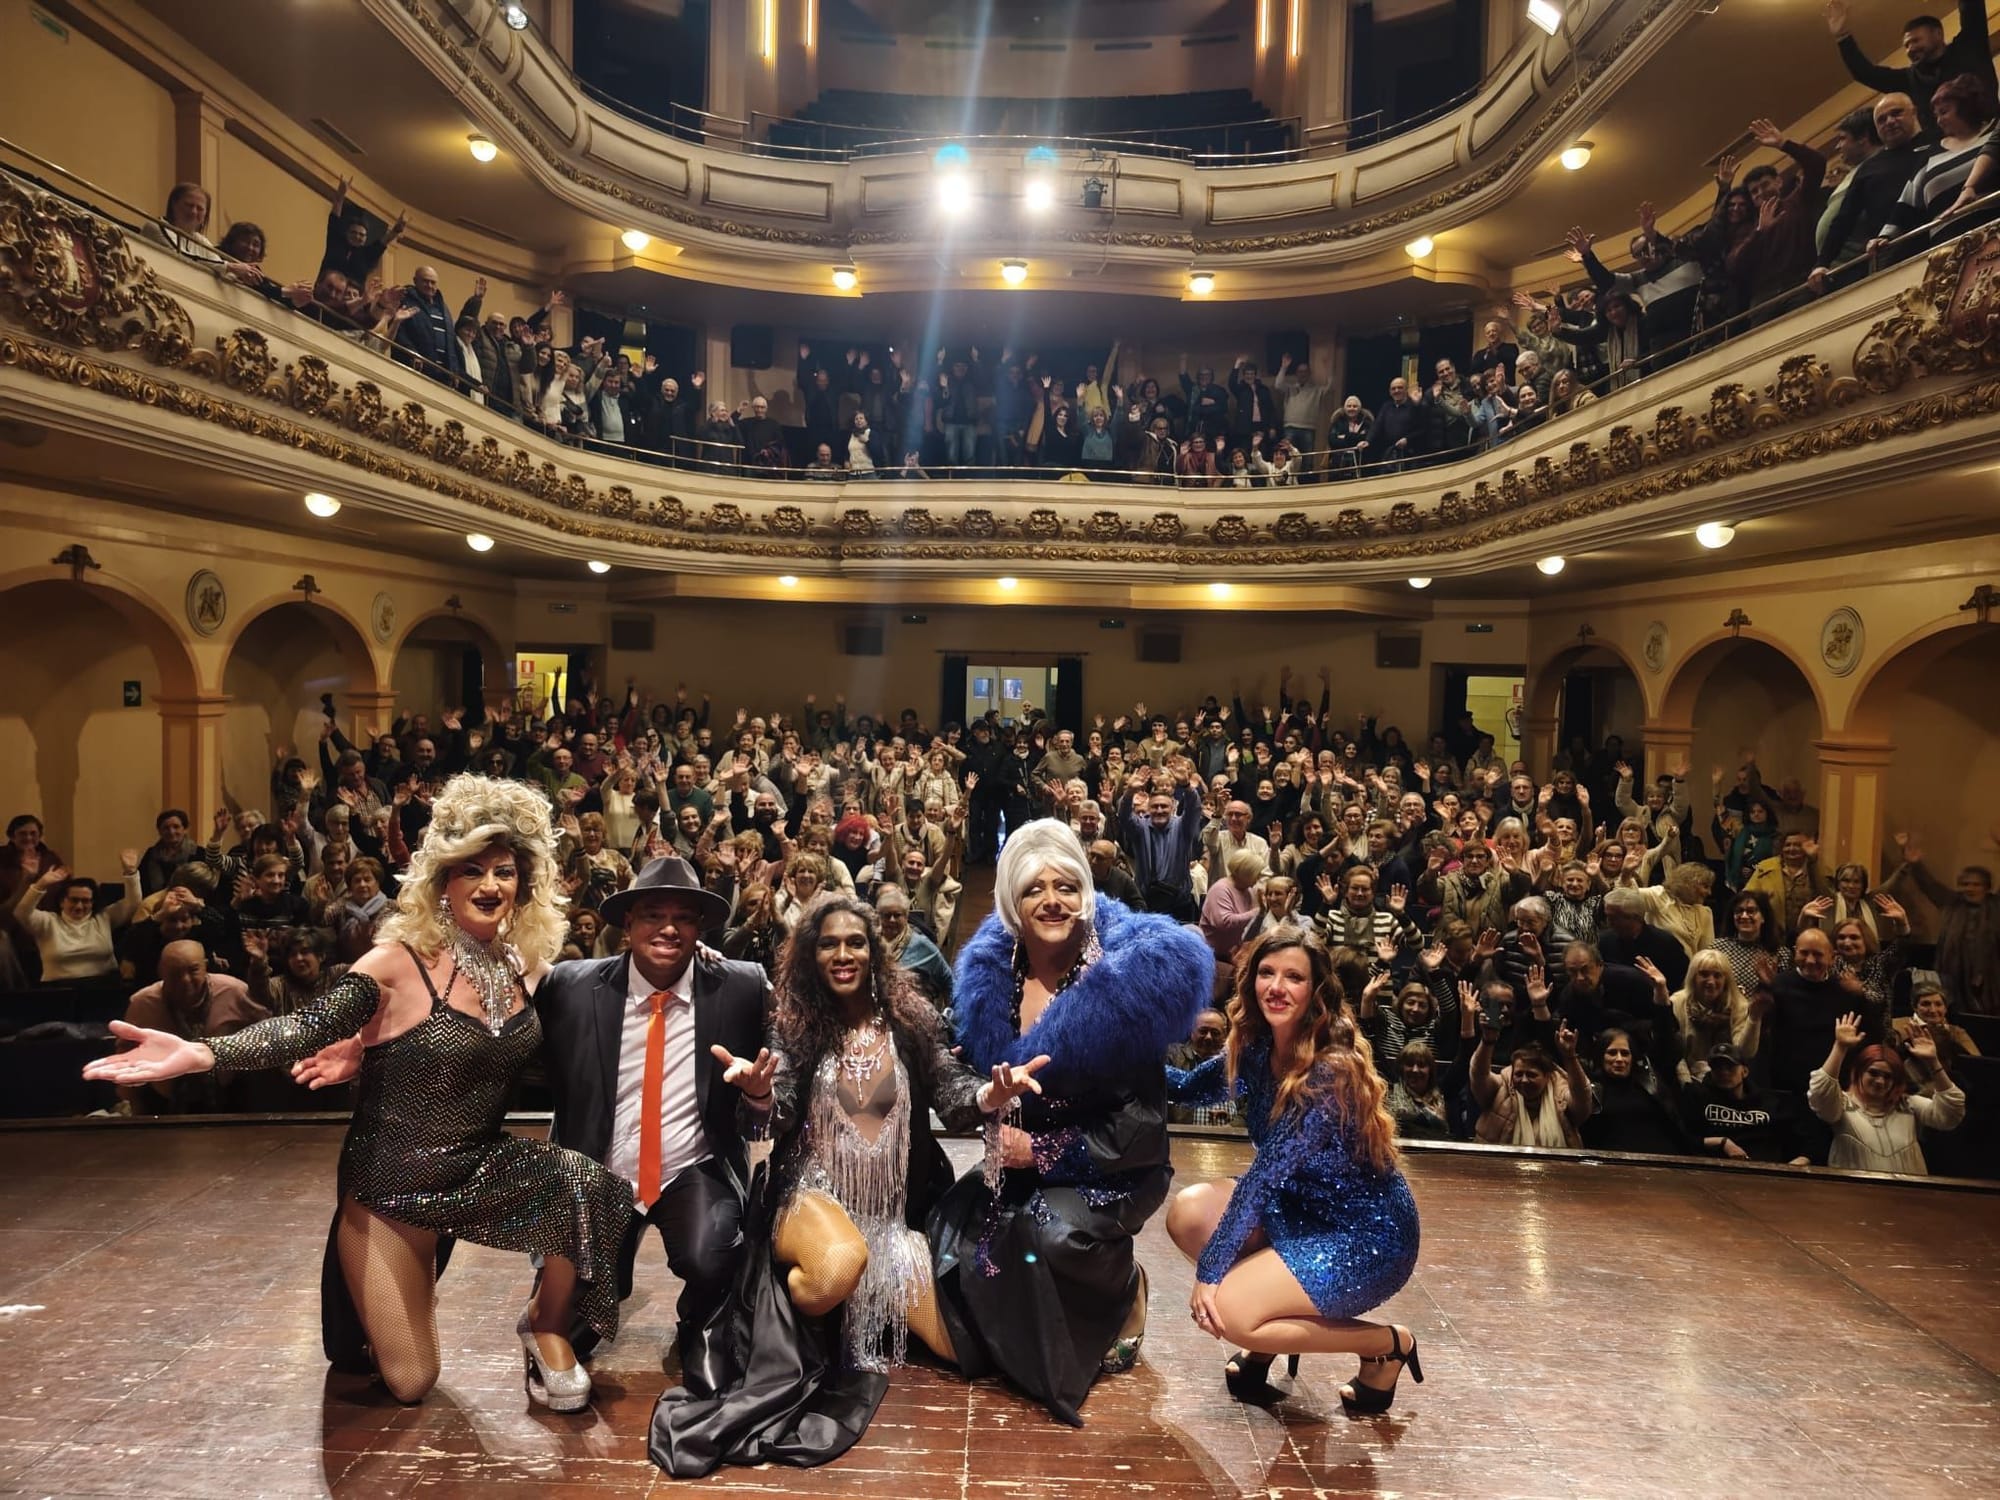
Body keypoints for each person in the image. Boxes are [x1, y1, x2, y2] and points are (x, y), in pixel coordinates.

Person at [87, 776, 632, 1411]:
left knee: (591, 1186)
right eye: (471, 870)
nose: (489, 885)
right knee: (412, 1381)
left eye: (504, 871)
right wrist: (202, 1051)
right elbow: (305, 1026)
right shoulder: (397, 960)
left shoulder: (524, 969)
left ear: (525, 883)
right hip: (390, 1187)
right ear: (441, 883)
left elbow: (604, 985)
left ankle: (544, 1326)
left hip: (477, 1167)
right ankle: (377, 1309)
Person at [651, 896, 1045, 1475]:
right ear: (812, 954)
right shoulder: (791, 1024)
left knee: (967, 1350)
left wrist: (990, 1097)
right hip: (808, 1196)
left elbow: (953, 1090)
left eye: (854, 942)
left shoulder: (912, 1022)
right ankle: (785, 1302)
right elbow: (773, 1111)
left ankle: (856, 1302)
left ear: (874, 951)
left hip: (889, 1220)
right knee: (836, 1264)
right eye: (829, 943)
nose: (843, 954)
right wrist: (759, 1093)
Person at [928, 819, 1211, 1426]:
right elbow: (977, 1086)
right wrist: (990, 1114)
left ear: (1086, 892)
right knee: (956, 1233)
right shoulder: (989, 981)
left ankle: (1121, 1291)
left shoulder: (1127, 983)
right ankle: (1022, 1342)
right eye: (1034, 889)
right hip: (1026, 1158)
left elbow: (1140, 1128)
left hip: (1113, 1165)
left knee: (1046, 1235)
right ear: (1011, 901)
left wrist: (1042, 1152)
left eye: (1066, 885)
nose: (1052, 900)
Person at [1164, 926, 1423, 1412]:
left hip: (1365, 1236)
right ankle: (1267, 1340)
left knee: (1231, 1313)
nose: (1276, 987)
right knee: (1189, 1212)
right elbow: (1184, 1088)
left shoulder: (1330, 1071)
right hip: (1299, 1209)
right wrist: (1110, 1055)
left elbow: (1262, 1178)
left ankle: (1387, 1346)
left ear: (1316, 991)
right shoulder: (1258, 1048)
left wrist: (1210, 1273)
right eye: (1266, 973)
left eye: (1293, 977)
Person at [117, 940, 272, 1114]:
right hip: (163, 1099)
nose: (185, 980)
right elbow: (125, 1053)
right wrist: (132, 1101)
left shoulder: (234, 990)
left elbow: (266, 1028)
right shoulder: (142, 1003)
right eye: (175, 973)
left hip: (229, 1095)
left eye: (193, 970)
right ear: (161, 971)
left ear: (206, 967)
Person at [1810, 1011, 1965, 1174]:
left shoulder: (1908, 1104)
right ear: (1859, 1072)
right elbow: (1821, 1093)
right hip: (1856, 1194)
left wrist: (1933, 1061)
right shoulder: (1841, 1104)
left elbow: (1950, 1114)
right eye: (1874, 1073)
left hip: (1907, 1194)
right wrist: (1840, 1047)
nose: (1880, 1081)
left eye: (1888, 1076)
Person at [14, 852, 142, 981]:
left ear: (93, 903)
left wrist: (131, 872)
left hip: (102, 986)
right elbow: (21, 913)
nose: (79, 906)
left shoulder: (103, 918)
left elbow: (133, 904)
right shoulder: (47, 922)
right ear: (62, 901)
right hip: (58, 990)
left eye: (86, 901)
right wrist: (41, 884)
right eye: (74, 900)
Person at [1679, 1042, 1808, 1164]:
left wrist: (1804, 1158)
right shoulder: (1698, 1097)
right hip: (1714, 1171)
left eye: (1730, 1067)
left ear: (1744, 1071)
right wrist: (1722, 1142)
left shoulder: (1769, 1101)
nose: (1724, 1072)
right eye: (1717, 1067)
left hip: (1764, 1173)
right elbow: (1683, 1138)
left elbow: (1800, 1137)